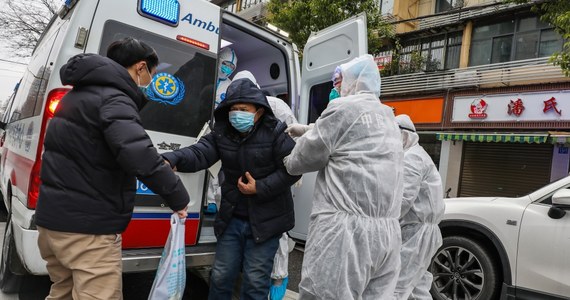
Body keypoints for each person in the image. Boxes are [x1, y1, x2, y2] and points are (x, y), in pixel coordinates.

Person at [35, 37, 190, 300]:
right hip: (87, 229)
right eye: (152, 73)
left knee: (62, 291)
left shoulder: (78, 95)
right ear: (141, 67)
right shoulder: (114, 98)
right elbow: (138, 153)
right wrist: (178, 197)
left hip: (53, 224)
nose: (150, 81)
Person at [162, 78, 300, 299]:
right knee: (220, 276)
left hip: (266, 221)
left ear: (259, 111)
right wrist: (172, 159)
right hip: (232, 218)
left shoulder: (276, 132)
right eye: (233, 109)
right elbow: (200, 152)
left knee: (255, 283)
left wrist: (260, 187)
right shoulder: (222, 132)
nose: (237, 114)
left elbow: (293, 169)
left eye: (243, 109)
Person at [284, 54, 404, 299]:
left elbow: (300, 161)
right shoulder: (388, 116)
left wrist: (286, 156)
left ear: (354, 82)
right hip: (387, 235)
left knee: (324, 293)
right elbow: (351, 136)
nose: (335, 89)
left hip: (344, 234)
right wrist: (309, 129)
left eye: (338, 82)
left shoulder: (342, 108)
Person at [233, 70, 296, 300]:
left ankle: (277, 283)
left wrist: (284, 174)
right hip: (244, 184)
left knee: (275, 233)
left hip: (272, 181)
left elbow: (293, 143)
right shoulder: (233, 108)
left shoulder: (277, 107)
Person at [393, 114, 445, 300]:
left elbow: (404, 199)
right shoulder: (418, 155)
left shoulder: (412, 158)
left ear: (405, 136)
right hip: (420, 231)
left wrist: (385, 223)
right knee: (418, 285)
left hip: (416, 233)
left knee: (397, 285)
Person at [205, 47, 238, 215]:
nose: (227, 69)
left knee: (214, 166)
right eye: (225, 64)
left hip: (218, 130)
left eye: (231, 67)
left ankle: (210, 201)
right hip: (200, 126)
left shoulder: (230, 86)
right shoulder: (206, 75)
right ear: (219, 61)